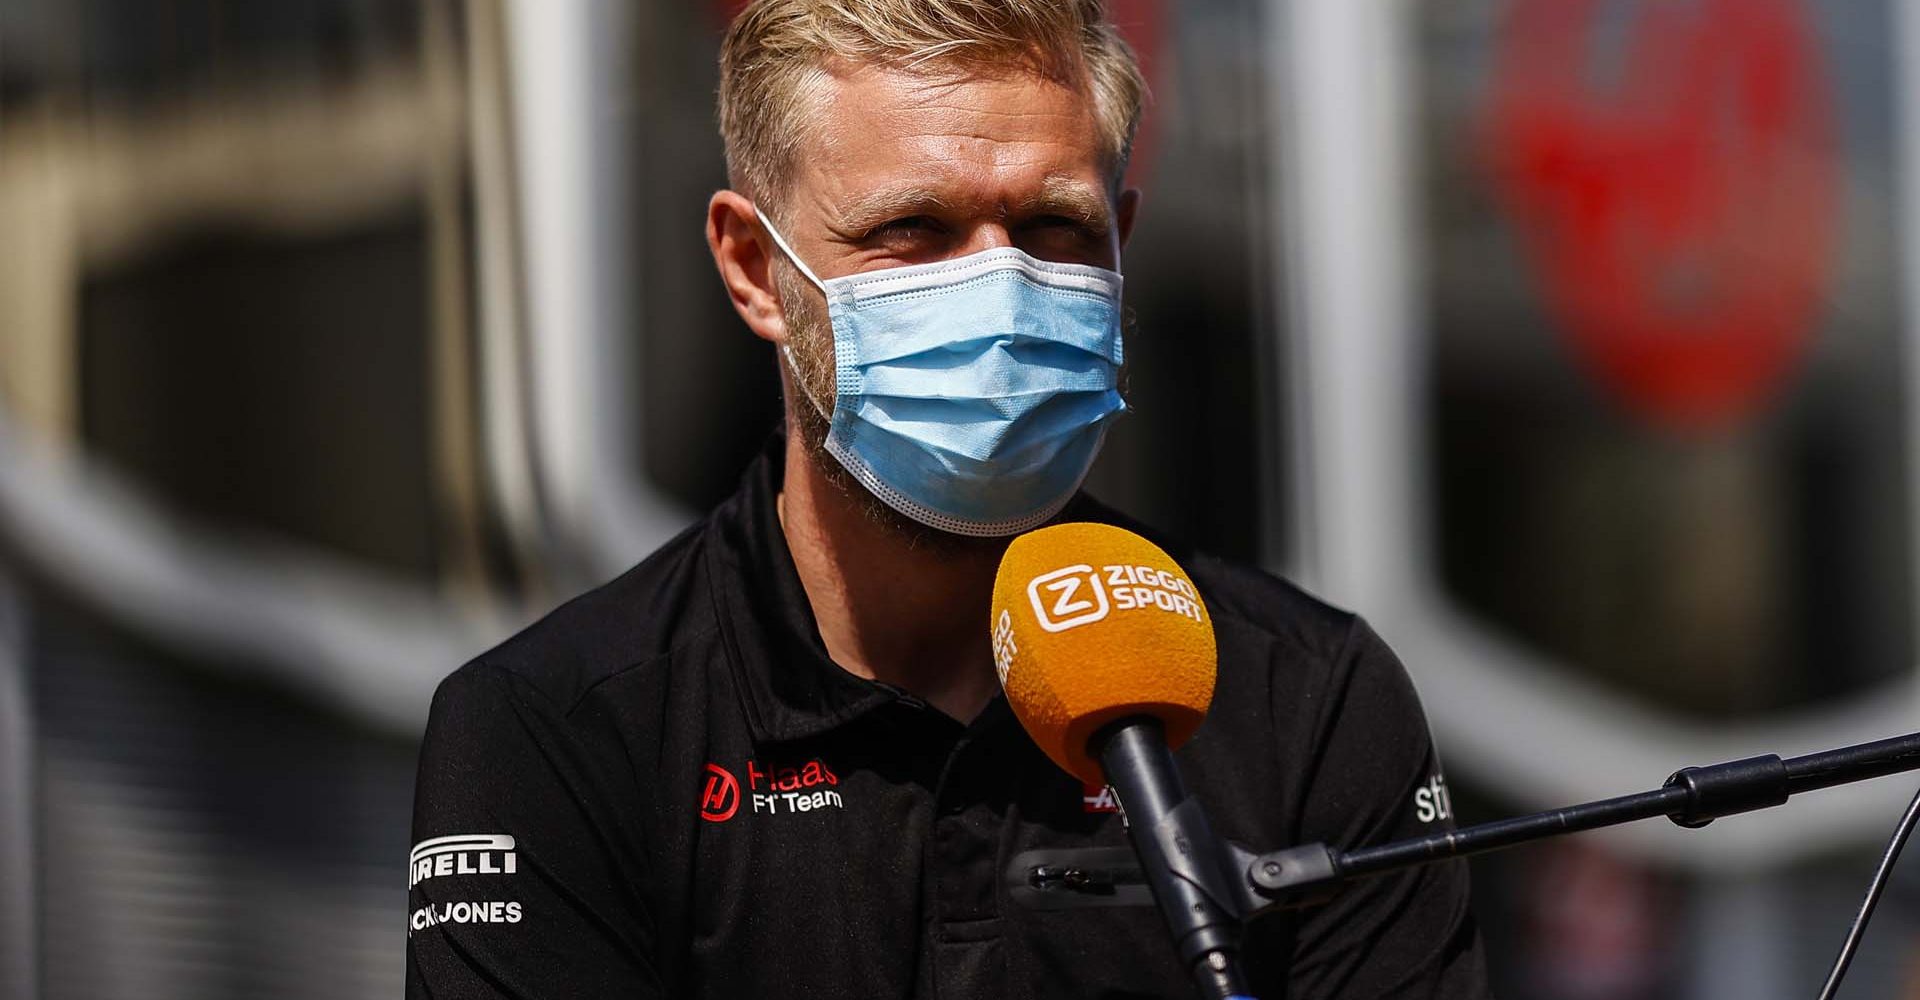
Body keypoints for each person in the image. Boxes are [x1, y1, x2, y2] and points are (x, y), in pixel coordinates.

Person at [405, 1, 1489, 997]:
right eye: (911, 230)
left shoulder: (1305, 699)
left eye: (1055, 229)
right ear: (751, 267)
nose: (1002, 289)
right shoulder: (559, 728)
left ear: (1122, 244)